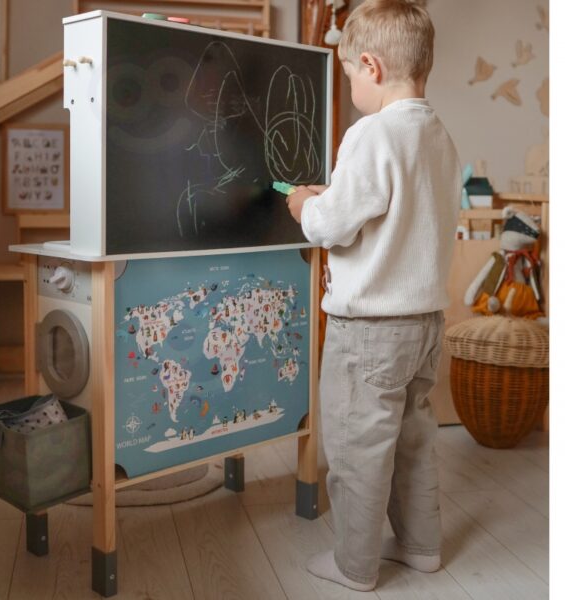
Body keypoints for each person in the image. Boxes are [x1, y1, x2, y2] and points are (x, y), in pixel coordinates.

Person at [286, 0, 461, 592]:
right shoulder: (437, 135)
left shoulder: (371, 134)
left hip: (370, 331)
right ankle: (421, 547)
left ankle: (354, 566)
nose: (351, 87)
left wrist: (304, 204)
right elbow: (399, 212)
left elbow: (330, 226)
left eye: (349, 75)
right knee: (413, 440)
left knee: (358, 448)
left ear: (371, 66)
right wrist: (335, 196)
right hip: (425, 322)